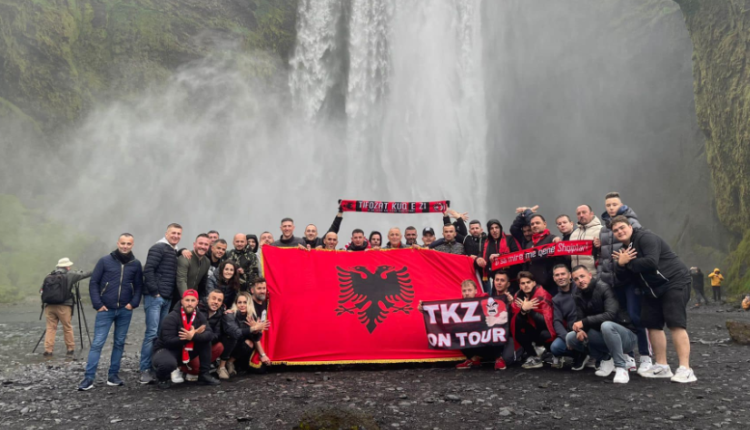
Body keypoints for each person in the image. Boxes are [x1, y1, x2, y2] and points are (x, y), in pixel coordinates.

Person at [610, 215, 697, 383]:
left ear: (630, 227)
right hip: (651, 289)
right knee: (651, 325)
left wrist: (626, 263)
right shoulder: (623, 251)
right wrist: (620, 264)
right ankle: (662, 366)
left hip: (674, 281)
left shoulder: (646, 237)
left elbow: (651, 262)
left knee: (675, 323)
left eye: (622, 227)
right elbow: (622, 277)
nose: (619, 231)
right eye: (615, 230)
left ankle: (686, 369)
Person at [593, 192, 651, 373]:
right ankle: (629, 357)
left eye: (614, 204)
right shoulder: (603, 229)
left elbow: (640, 248)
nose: (610, 207)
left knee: (636, 317)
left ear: (621, 205)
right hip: (610, 280)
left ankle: (646, 356)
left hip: (629, 280)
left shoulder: (632, 223)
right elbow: (603, 257)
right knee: (619, 318)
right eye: (608, 205)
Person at [78, 234, 143, 391]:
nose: (125, 246)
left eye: (128, 243)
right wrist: (98, 304)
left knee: (119, 343)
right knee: (98, 343)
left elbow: (139, 286)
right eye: (123, 243)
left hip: (124, 310)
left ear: (132, 245)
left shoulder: (136, 264)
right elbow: (94, 282)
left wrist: (133, 304)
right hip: (105, 309)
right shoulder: (104, 261)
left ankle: (113, 376)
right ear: (117, 243)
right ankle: (89, 378)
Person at [566, 265, 638, 384]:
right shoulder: (577, 294)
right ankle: (606, 359)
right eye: (576, 279)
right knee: (571, 338)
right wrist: (580, 331)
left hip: (626, 336)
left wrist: (584, 323)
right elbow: (580, 318)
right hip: (603, 336)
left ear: (590, 275)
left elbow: (610, 315)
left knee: (607, 325)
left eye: (582, 276)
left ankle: (621, 367)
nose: (580, 281)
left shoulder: (604, 287)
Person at [140, 223, 182, 384]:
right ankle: (144, 369)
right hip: (156, 297)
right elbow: (148, 270)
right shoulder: (158, 247)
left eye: (179, 233)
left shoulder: (173, 250)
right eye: (173, 233)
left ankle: (155, 366)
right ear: (166, 233)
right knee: (151, 333)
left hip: (166, 298)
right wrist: (154, 292)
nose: (176, 236)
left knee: (160, 334)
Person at [151, 289, 219, 388]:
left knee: (205, 340)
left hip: (186, 350)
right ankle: (162, 378)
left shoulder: (199, 316)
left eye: (192, 300)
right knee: (167, 363)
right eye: (187, 300)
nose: (190, 303)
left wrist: (194, 336)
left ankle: (204, 375)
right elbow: (168, 341)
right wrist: (188, 338)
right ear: (182, 301)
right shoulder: (171, 317)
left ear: (197, 302)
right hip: (167, 350)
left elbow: (209, 334)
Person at [42, 258, 92, 356]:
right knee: (67, 327)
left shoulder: (49, 275)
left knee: (50, 328)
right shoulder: (70, 275)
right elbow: (85, 274)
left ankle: (48, 350)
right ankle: (70, 349)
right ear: (67, 266)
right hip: (64, 306)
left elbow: (42, 290)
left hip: (49, 306)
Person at [512, 208, 566, 296]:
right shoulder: (529, 244)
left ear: (544, 224)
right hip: (534, 287)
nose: (534, 225)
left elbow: (559, 261)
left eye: (537, 223)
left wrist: (548, 277)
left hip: (550, 286)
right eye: (532, 224)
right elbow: (526, 264)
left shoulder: (552, 239)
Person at [510, 272, 555, 369]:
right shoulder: (518, 296)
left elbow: (547, 322)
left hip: (544, 330)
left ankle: (549, 352)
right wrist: (523, 310)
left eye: (528, 282)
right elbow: (516, 321)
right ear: (519, 285)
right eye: (523, 283)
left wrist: (530, 311)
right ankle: (534, 356)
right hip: (531, 328)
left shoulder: (542, 294)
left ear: (534, 283)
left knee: (545, 334)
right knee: (516, 329)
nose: (526, 285)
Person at [198, 289, 242, 380]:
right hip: (195, 343)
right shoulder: (198, 309)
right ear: (207, 299)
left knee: (230, 336)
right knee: (194, 370)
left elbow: (217, 334)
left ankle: (221, 367)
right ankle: (180, 368)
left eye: (219, 300)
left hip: (209, 341)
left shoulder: (221, 312)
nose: (216, 302)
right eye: (213, 299)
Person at [549, 265, 582, 369]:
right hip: (572, 333)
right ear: (554, 278)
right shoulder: (556, 299)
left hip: (586, 327)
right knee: (555, 347)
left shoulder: (580, 288)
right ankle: (580, 355)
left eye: (563, 274)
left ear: (570, 275)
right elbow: (557, 321)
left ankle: (597, 355)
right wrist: (567, 338)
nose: (560, 277)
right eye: (557, 275)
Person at [484, 219, 522, 294]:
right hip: (496, 283)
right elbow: (483, 258)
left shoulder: (510, 238)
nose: (494, 230)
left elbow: (518, 255)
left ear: (500, 228)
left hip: (512, 281)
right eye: (491, 228)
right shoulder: (486, 243)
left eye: (496, 227)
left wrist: (500, 256)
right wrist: (478, 259)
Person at [569, 205, 603, 274]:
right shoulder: (573, 234)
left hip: (594, 275)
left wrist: (601, 246)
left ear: (591, 213)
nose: (581, 215)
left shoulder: (601, 230)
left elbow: (609, 252)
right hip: (577, 277)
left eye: (584, 212)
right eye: (578, 213)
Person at [176, 234, 211, 298]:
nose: (203, 246)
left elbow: (203, 283)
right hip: (178, 296)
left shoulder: (207, 261)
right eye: (200, 243)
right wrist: (187, 298)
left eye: (206, 244)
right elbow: (181, 281)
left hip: (193, 298)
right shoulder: (185, 258)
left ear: (209, 247)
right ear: (194, 244)